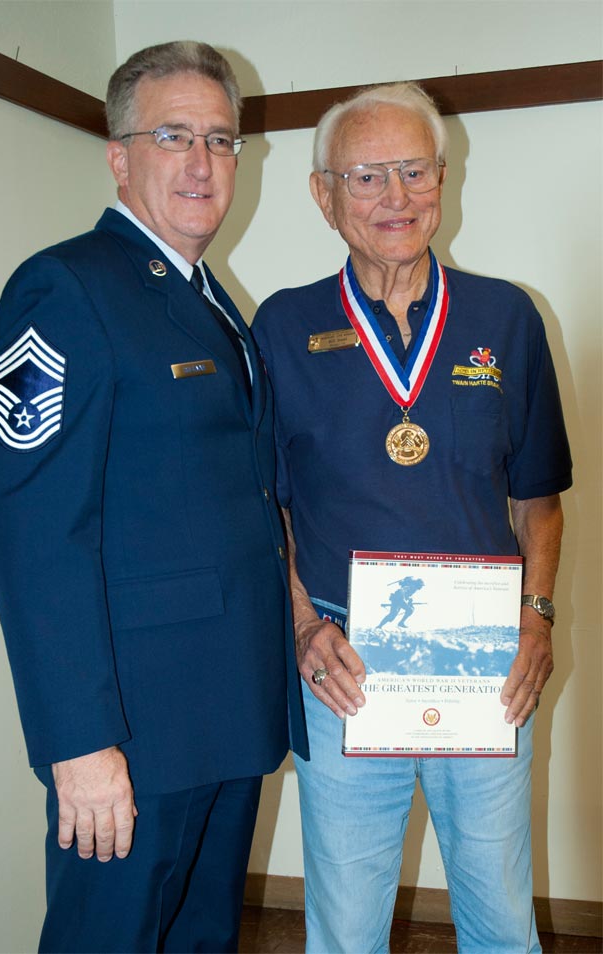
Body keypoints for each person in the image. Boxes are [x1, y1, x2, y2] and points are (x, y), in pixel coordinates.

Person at [0, 40, 307, 954]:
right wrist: (79, 743)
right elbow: (35, 534)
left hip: (225, 712)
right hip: (133, 733)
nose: (203, 162)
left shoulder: (211, 300)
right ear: (119, 157)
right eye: (173, 136)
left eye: (221, 139)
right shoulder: (67, 287)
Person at [253, 81, 571, 953]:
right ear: (323, 195)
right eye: (366, 177)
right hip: (343, 668)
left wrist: (537, 618)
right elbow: (266, 509)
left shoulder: (507, 317)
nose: (395, 196)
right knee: (347, 931)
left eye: (414, 170)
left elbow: (539, 501)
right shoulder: (282, 327)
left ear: (442, 178)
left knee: (501, 923)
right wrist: (304, 626)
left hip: (485, 666)